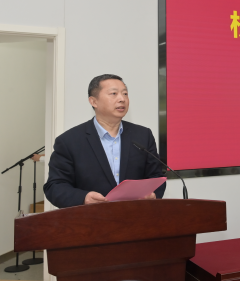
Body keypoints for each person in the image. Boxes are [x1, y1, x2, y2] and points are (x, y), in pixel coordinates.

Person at [44, 74, 166, 208]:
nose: (122, 99)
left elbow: (156, 176)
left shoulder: (143, 135)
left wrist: (153, 194)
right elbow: (55, 186)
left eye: (125, 94)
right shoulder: (69, 141)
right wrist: (83, 198)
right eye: (114, 93)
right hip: (90, 217)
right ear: (93, 101)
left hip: (135, 215)